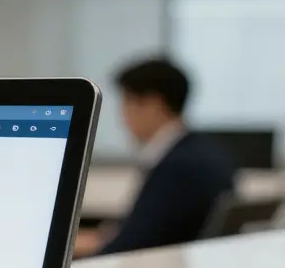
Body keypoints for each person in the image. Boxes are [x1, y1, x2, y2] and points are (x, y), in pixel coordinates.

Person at [75, 57, 235, 257]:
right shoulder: (207, 151)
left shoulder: (178, 166)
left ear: (153, 104)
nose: (123, 116)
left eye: (127, 102)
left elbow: (131, 244)